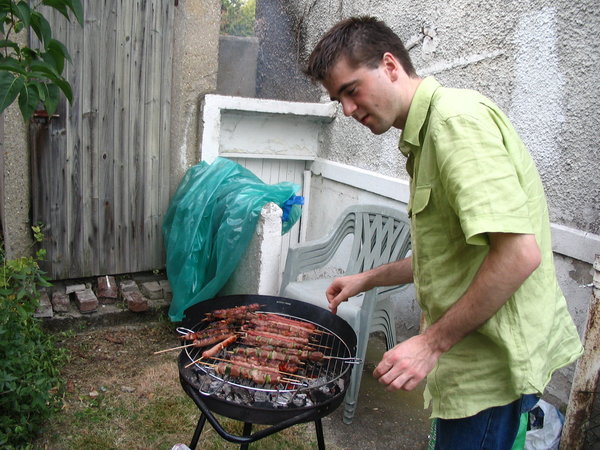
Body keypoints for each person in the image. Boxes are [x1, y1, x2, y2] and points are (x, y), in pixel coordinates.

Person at [303, 16, 583, 449]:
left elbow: (517, 255)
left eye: (351, 90)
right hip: (468, 364)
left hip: (491, 370)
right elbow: (447, 257)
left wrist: (429, 344)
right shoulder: (424, 134)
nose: (347, 110)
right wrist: (367, 279)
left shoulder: (455, 124)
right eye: (338, 99)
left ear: (390, 66)